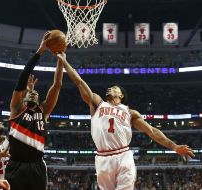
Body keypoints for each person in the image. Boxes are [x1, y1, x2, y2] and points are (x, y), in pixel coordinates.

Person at [57, 52, 195, 190]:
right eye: (110, 87)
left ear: (121, 95)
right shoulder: (97, 103)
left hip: (123, 155)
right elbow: (79, 81)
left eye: (115, 88)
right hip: (102, 158)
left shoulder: (130, 113)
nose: (110, 88)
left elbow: (152, 131)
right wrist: (64, 62)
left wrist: (174, 147)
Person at [5, 31, 64, 190]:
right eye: (30, 92)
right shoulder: (16, 109)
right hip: (15, 165)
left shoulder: (43, 111)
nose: (33, 92)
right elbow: (23, 77)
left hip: (37, 166)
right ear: (24, 96)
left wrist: (61, 58)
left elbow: (57, 85)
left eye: (36, 93)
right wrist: (40, 50)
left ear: (38, 99)